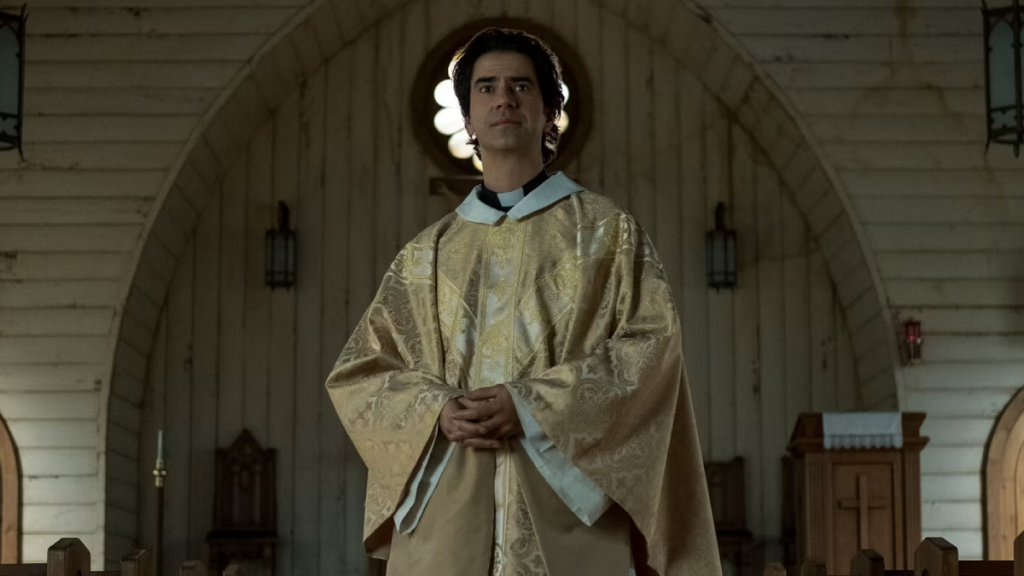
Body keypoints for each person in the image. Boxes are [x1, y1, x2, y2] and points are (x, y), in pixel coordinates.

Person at [325, 27, 721, 576]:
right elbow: (362, 373)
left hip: (567, 513)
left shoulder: (607, 235)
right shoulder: (428, 254)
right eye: (486, 88)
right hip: (450, 513)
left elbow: (650, 350)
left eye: (521, 86)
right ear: (468, 115)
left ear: (549, 110)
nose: (504, 99)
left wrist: (533, 407)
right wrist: (436, 410)